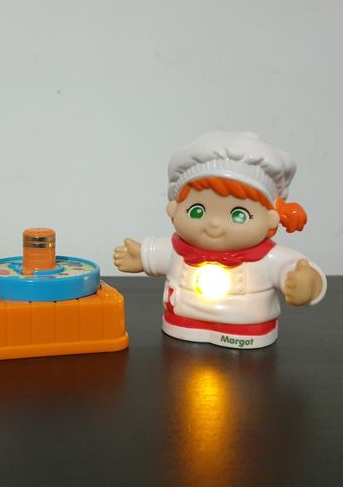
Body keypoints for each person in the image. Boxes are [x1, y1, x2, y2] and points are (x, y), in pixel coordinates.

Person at [114, 131, 326, 349]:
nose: (214, 223)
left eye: (239, 215)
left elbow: (293, 267)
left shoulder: (267, 258)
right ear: (174, 210)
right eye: (197, 211)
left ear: (271, 219)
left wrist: (306, 282)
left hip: (246, 325)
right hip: (183, 319)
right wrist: (141, 256)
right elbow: (157, 254)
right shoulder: (177, 249)